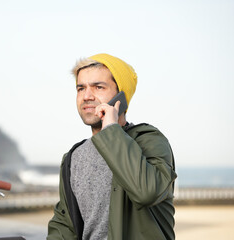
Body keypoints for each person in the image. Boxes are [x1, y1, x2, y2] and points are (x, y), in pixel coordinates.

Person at [47, 53, 177, 240]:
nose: (86, 96)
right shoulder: (73, 157)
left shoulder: (149, 140)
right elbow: (64, 224)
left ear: (121, 97)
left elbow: (147, 192)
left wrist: (111, 129)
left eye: (98, 87)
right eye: (80, 88)